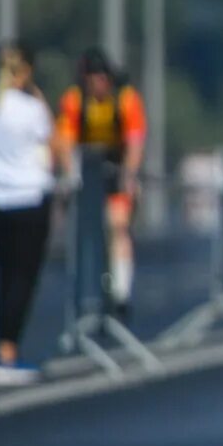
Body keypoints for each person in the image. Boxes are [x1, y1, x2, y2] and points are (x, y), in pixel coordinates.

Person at [0, 42, 59, 387]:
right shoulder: (29, 109)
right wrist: (39, 99)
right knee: (24, 278)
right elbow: (54, 143)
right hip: (30, 197)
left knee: (6, 275)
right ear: (25, 72)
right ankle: (10, 354)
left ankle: (4, 349)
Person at [55, 49, 147, 322]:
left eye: (103, 78)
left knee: (118, 225)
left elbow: (135, 141)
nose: (99, 85)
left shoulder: (126, 99)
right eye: (94, 79)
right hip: (86, 167)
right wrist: (71, 174)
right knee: (85, 230)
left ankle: (121, 292)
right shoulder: (74, 101)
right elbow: (64, 140)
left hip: (115, 167)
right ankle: (85, 288)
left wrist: (129, 175)